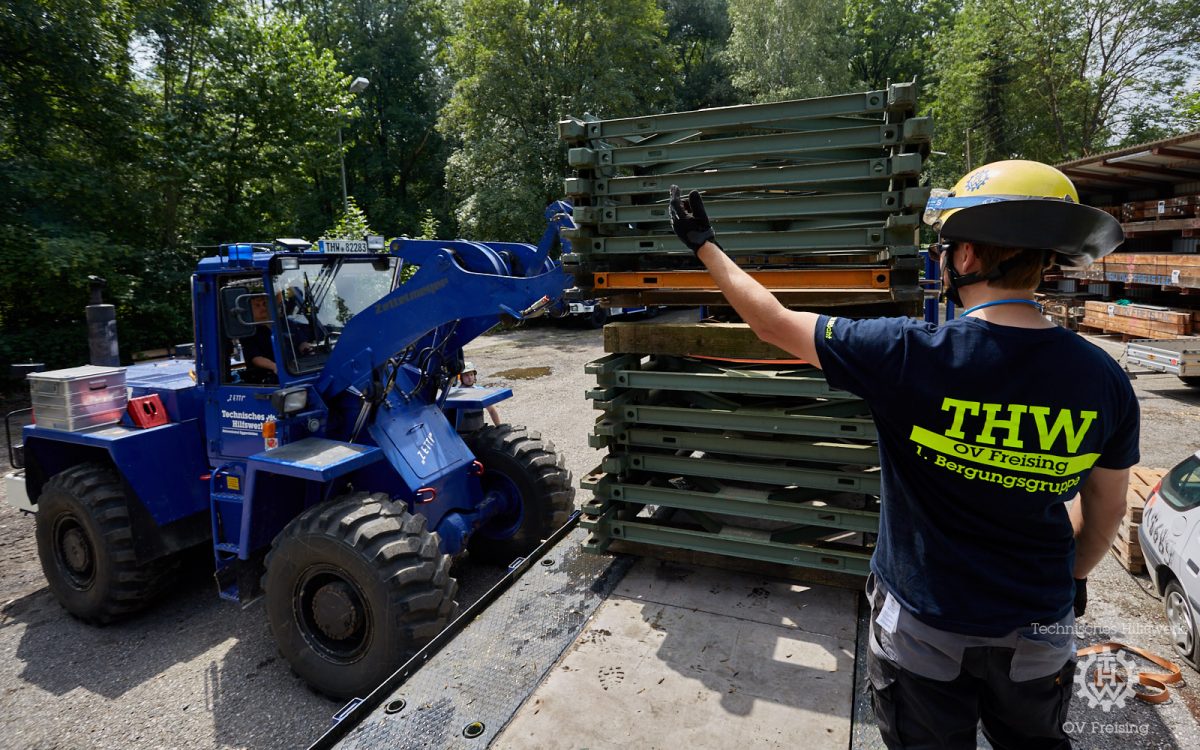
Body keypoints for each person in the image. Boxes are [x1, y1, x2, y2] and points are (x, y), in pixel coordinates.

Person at [669, 160, 1137, 750]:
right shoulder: (1104, 379)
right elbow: (1108, 514)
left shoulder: (907, 353)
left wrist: (704, 246)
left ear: (966, 258)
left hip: (924, 629)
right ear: (1047, 261)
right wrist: (1071, 576)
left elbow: (773, 324)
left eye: (947, 248)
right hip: (1039, 628)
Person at [240, 293, 313, 383]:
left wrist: (309, 350)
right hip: (269, 378)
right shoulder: (248, 331)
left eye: (264, 304)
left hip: (297, 370)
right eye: (257, 305)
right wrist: (275, 367)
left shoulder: (286, 323)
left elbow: (302, 342)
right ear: (249, 309)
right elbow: (256, 358)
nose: (263, 308)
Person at [459, 362, 502, 426]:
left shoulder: (480, 391)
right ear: (461, 377)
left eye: (471, 374)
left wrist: (498, 426)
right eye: (466, 375)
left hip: (479, 430)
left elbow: (492, 411)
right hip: (461, 432)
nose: (470, 378)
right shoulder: (456, 393)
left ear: (474, 376)